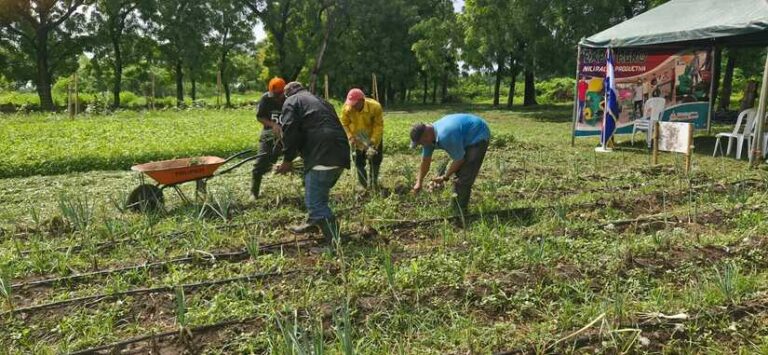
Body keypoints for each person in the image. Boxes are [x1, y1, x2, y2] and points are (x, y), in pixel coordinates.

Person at [274, 82, 351, 243]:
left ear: (287, 94)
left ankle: (335, 242)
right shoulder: (321, 101)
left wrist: (287, 160)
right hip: (341, 152)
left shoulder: (292, 101)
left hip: (322, 154)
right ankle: (313, 221)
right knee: (316, 192)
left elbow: (290, 130)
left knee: (315, 203)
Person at [410, 113, 490, 215]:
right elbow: (425, 161)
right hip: (463, 135)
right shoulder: (429, 138)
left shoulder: (446, 135)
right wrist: (419, 182)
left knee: (464, 177)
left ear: (425, 136)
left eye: (421, 143)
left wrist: (445, 177)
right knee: (458, 171)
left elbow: (459, 160)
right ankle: (456, 207)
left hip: (477, 135)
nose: (422, 146)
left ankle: (459, 213)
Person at [340, 88, 384, 188]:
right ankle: (364, 185)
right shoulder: (347, 108)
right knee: (359, 162)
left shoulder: (375, 107)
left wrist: (373, 141)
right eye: (351, 103)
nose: (353, 106)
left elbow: (379, 126)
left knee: (375, 160)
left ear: (362, 100)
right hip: (357, 139)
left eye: (355, 104)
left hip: (372, 137)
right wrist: (350, 137)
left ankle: (373, 184)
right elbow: (344, 124)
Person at [251, 77, 286, 199]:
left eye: (278, 95)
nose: (276, 98)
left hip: (287, 136)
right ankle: (254, 192)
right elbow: (260, 117)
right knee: (261, 161)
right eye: (274, 95)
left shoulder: (290, 99)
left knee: (300, 161)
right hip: (269, 134)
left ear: (284, 92)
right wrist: (273, 125)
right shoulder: (266, 98)